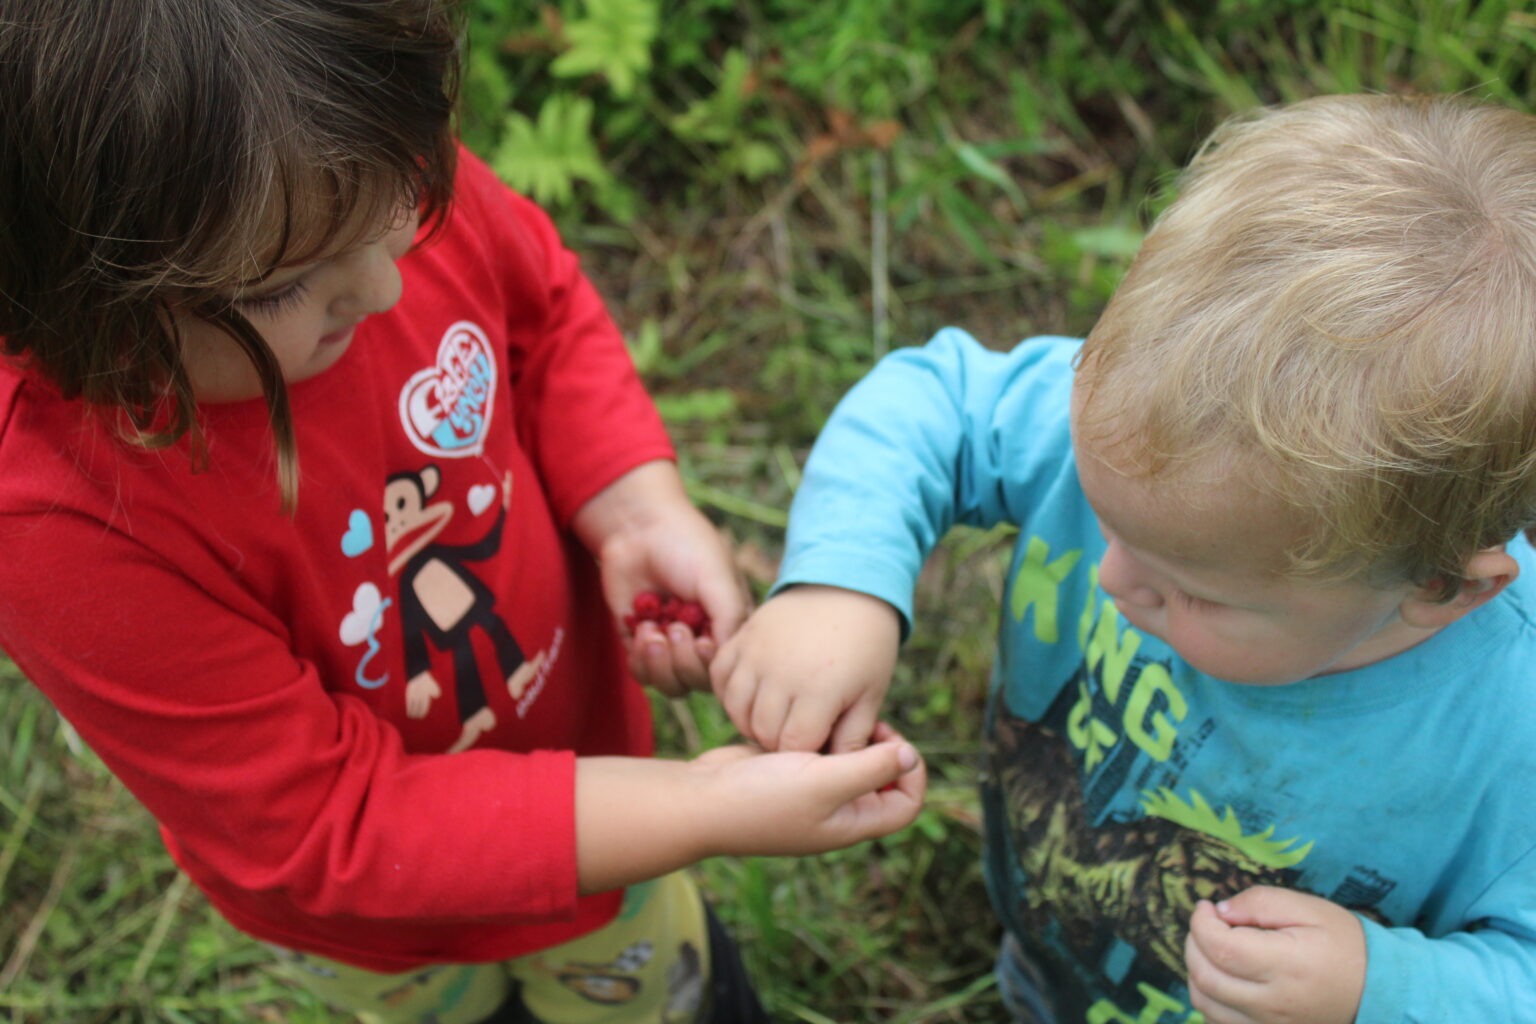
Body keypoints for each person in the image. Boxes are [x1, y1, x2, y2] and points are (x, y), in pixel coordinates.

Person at [0, 3, 926, 1023]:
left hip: (602, 811)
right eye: (286, 291)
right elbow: (322, 821)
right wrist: (701, 806)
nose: (389, 282)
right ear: (70, 303)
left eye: (406, 194)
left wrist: (630, 501)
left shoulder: (332, 163)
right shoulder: (59, 519)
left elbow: (545, 317)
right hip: (384, 926)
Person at [710, 93, 1536, 1024]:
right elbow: (932, 405)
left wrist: (1382, 990)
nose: (1111, 580)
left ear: (1439, 587)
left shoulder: (1513, 738)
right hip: (1056, 939)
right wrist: (839, 584)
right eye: (1103, 523)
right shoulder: (1159, 441)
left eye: (1192, 593)